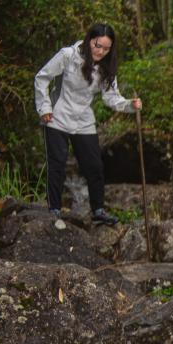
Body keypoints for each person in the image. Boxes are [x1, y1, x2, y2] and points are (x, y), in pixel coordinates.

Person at [34, 23, 142, 225]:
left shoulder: (106, 68)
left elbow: (112, 98)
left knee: (94, 166)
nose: (100, 51)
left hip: (83, 119)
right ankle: (54, 209)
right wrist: (45, 108)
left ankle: (98, 209)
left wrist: (130, 105)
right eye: (97, 45)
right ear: (89, 39)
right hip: (58, 115)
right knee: (57, 163)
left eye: (106, 48)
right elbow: (42, 77)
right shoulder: (68, 55)